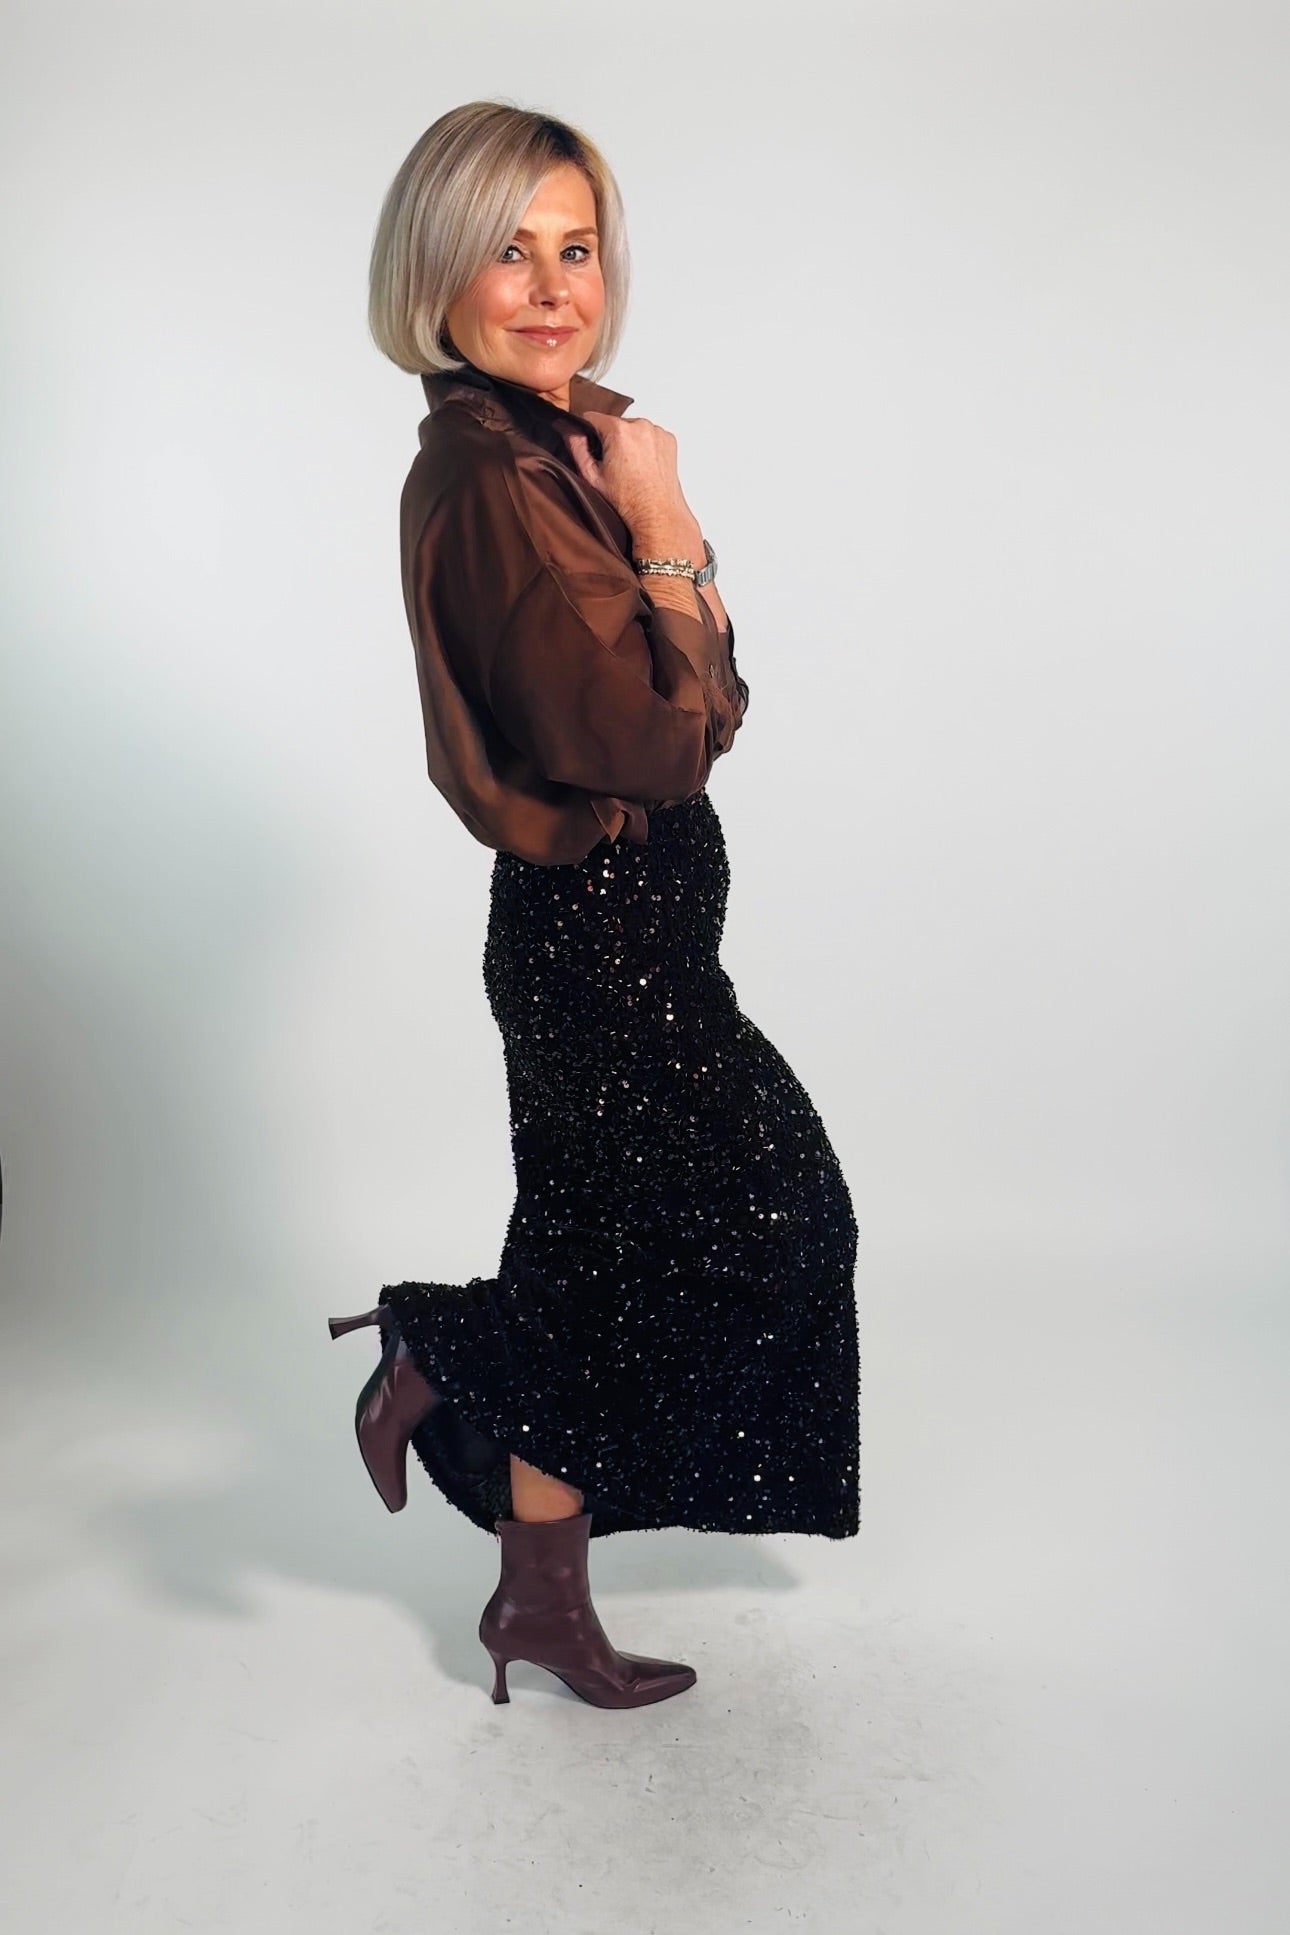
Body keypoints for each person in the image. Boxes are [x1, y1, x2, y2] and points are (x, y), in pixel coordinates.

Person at [328, 101, 860, 1711]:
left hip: (625, 920)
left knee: (597, 1262)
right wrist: (673, 531)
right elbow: (657, 740)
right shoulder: (495, 474)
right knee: (769, 1221)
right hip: (600, 934)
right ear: (437, 271)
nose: (554, 287)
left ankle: (535, 1602)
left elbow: (713, 702)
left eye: (577, 248)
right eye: (509, 250)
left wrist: (657, 548)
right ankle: (438, 1354)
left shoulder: (561, 450)